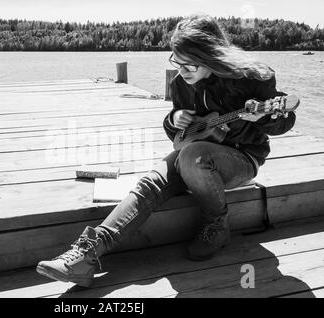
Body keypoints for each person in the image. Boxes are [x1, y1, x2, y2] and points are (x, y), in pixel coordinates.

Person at [36, 14, 296, 287]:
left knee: (193, 156)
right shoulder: (181, 84)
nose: (182, 71)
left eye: (189, 64)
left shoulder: (251, 78)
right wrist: (175, 119)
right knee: (151, 181)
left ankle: (217, 224)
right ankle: (85, 254)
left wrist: (264, 117)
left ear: (210, 56)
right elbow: (179, 136)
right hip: (193, 156)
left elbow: (285, 121)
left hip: (241, 158)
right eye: (176, 62)